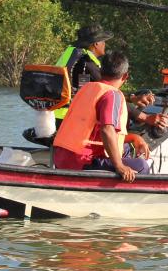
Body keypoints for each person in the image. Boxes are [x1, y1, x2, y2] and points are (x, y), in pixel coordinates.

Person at [52, 51, 151, 182]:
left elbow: (98, 134)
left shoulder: (87, 88)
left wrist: (135, 137)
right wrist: (119, 166)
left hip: (60, 157)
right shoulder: (112, 95)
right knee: (141, 166)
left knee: (126, 149)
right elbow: (107, 130)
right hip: (81, 162)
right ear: (125, 76)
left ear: (101, 70)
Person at [53, 24, 112, 123]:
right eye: (103, 41)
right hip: (67, 116)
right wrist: (131, 98)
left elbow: (82, 85)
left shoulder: (73, 55)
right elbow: (108, 90)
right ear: (96, 43)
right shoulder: (86, 61)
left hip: (55, 113)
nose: (104, 44)